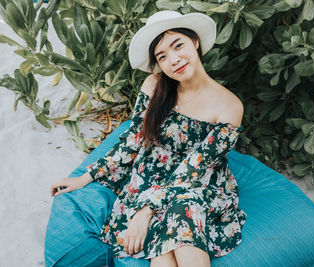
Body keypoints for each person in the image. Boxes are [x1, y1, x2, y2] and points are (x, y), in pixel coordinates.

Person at [49, 10, 247, 267]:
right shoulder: (155, 85)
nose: (173, 60)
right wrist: (86, 176)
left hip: (197, 182)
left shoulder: (229, 106)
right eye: (162, 56)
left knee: (184, 210)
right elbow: (133, 139)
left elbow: (194, 169)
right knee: (163, 247)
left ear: (195, 42)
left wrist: (145, 211)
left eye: (178, 46)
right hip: (152, 176)